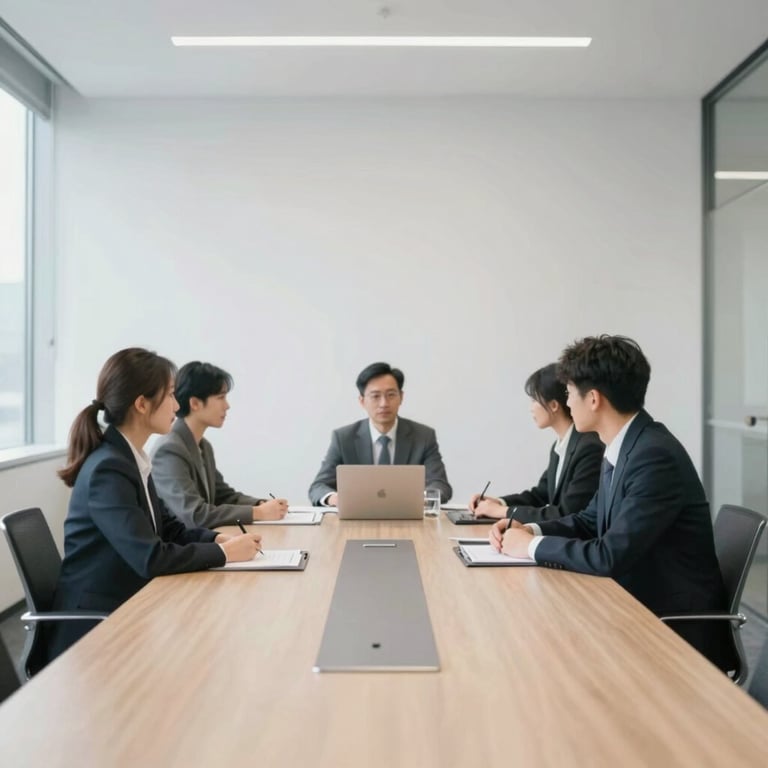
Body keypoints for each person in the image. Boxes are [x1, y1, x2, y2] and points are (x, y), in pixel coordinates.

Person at [490, 335, 735, 672]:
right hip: (636, 605)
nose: (567, 402)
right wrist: (530, 529)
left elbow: (609, 556)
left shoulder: (654, 456)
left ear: (593, 399)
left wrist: (530, 547)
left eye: (569, 393)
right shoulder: (627, 444)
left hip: (672, 629)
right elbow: (590, 520)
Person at [47, 348, 263, 661]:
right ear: (141, 404)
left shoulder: (130, 458)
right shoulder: (109, 469)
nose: (176, 405)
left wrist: (218, 539)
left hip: (128, 604)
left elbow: (169, 529)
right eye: (171, 394)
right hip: (95, 626)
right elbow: (150, 557)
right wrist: (225, 554)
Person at [151, 361, 288, 528]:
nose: (227, 406)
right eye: (221, 397)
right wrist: (258, 512)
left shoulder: (204, 446)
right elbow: (195, 514)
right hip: (181, 542)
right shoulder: (169, 450)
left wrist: (260, 504)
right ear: (195, 403)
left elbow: (223, 496)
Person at [468, 363, 602, 522]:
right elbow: (540, 495)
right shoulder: (559, 446)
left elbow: (566, 513)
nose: (531, 408)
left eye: (534, 400)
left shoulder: (589, 447)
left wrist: (502, 511)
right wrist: (498, 502)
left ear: (554, 405)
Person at [308, 361, 452, 506]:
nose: (384, 403)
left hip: (408, 516)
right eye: (375, 396)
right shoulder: (343, 438)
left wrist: (422, 499)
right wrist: (335, 499)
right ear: (362, 401)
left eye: (391, 395)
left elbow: (440, 484)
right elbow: (319, 486)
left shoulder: (423, 436)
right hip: (358, 516)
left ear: (401, 397)